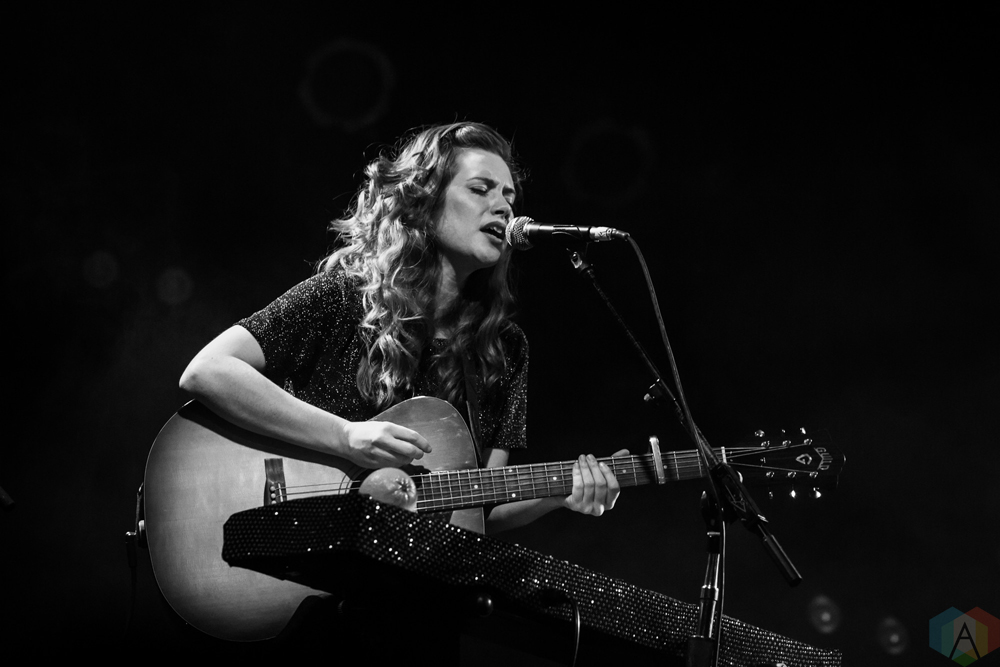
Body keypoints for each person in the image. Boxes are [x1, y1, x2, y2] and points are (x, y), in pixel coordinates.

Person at [179, 121, 625, 534]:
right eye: (480, 189)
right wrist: (346, 437)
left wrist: (558, 493)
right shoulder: (343, 297)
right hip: (301, 547)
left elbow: (479, 507)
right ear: (424, 202)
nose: (504, 207)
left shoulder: (503, 348)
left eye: (509, 196)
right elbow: (208, 370)